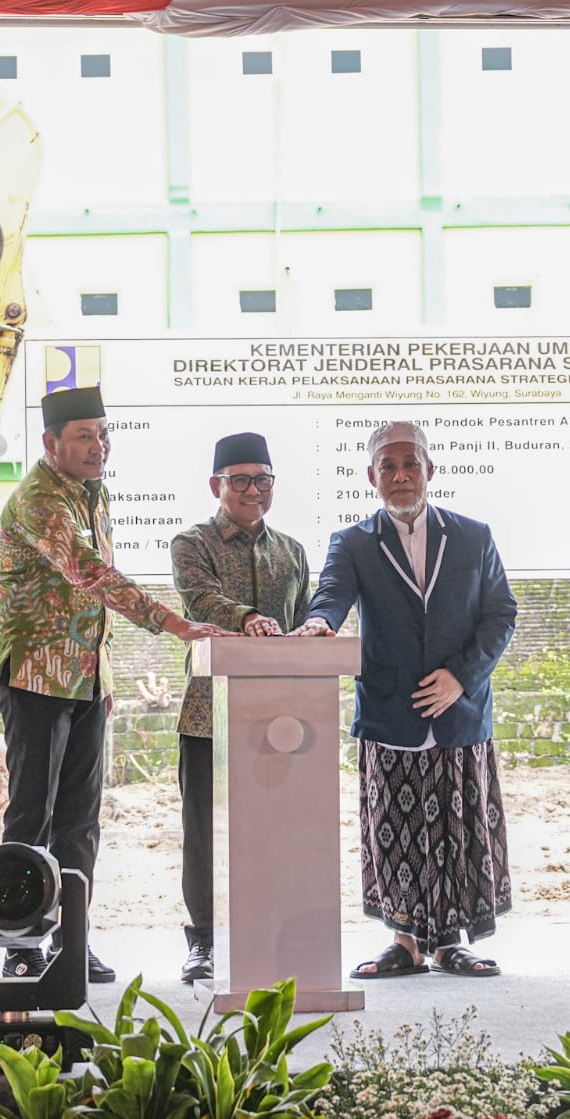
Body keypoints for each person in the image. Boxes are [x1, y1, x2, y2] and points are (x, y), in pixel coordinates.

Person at [0, 385, 233, 983]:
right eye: (83, 436)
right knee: (32, 818)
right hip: (35, 678)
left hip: (87, 681)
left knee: (80, 820)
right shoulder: (39, 500)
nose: (98, 446)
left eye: (103, 435)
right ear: (51, 443)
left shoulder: (92, 496)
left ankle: (71, 940)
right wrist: (168, 620)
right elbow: (88, 571)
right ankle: (22, 944)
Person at [293, 420, 518, 979]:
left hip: (458, 712)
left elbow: (500, 615)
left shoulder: (474, 536)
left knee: (455, 828)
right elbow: (331, 596)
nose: (399, 476)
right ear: (371, 476)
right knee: (395, 825)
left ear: (429, 470)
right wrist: (320, 624)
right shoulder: (352, 542)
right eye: (387, 467)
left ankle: (449, 943)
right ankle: (404, 943)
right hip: (390, 711)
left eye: (409, 464)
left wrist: (461, 678)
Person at [169, 432, 311, 984]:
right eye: (241, 480)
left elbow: (300, 622)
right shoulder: (192, 542)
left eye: (263, 479)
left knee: (277, 830)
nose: (254, 490)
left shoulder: (293, 551)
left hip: (282, 721)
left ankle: (275, 934)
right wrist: (248, 616)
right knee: (204, 831)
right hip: (209, 714)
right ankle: (203, 940)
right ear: (217, 485)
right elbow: (200, 599)